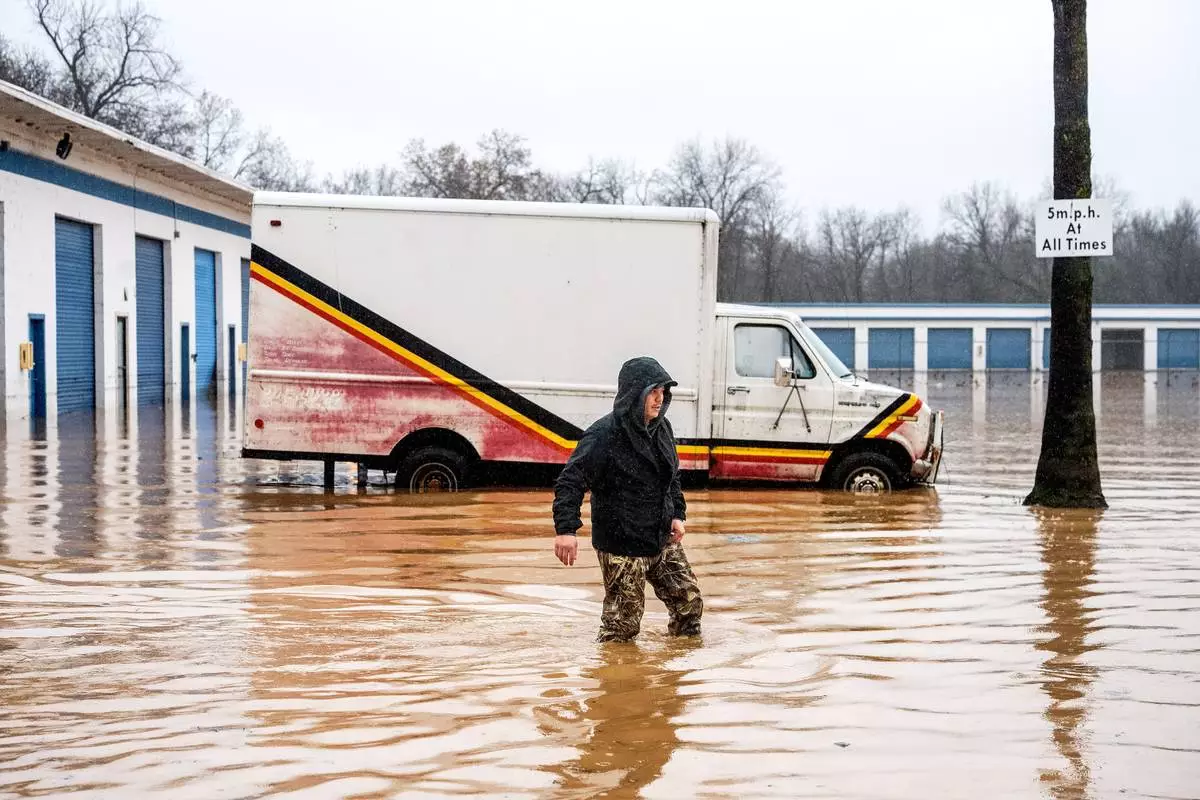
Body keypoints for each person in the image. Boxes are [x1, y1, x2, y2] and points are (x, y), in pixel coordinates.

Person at [551, 356, 703, 642]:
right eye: (653, 392)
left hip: (660, 537)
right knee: (622, 627)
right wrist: (566, 530)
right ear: (635, 394)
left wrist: (677, 514)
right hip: (621, 544)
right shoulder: (603, 434)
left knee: (689, 604)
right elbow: (570, 481)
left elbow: (671, 476)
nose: (659, 399)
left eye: (663, 392)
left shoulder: (663, 428)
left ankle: (681, 664)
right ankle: (614, 669)